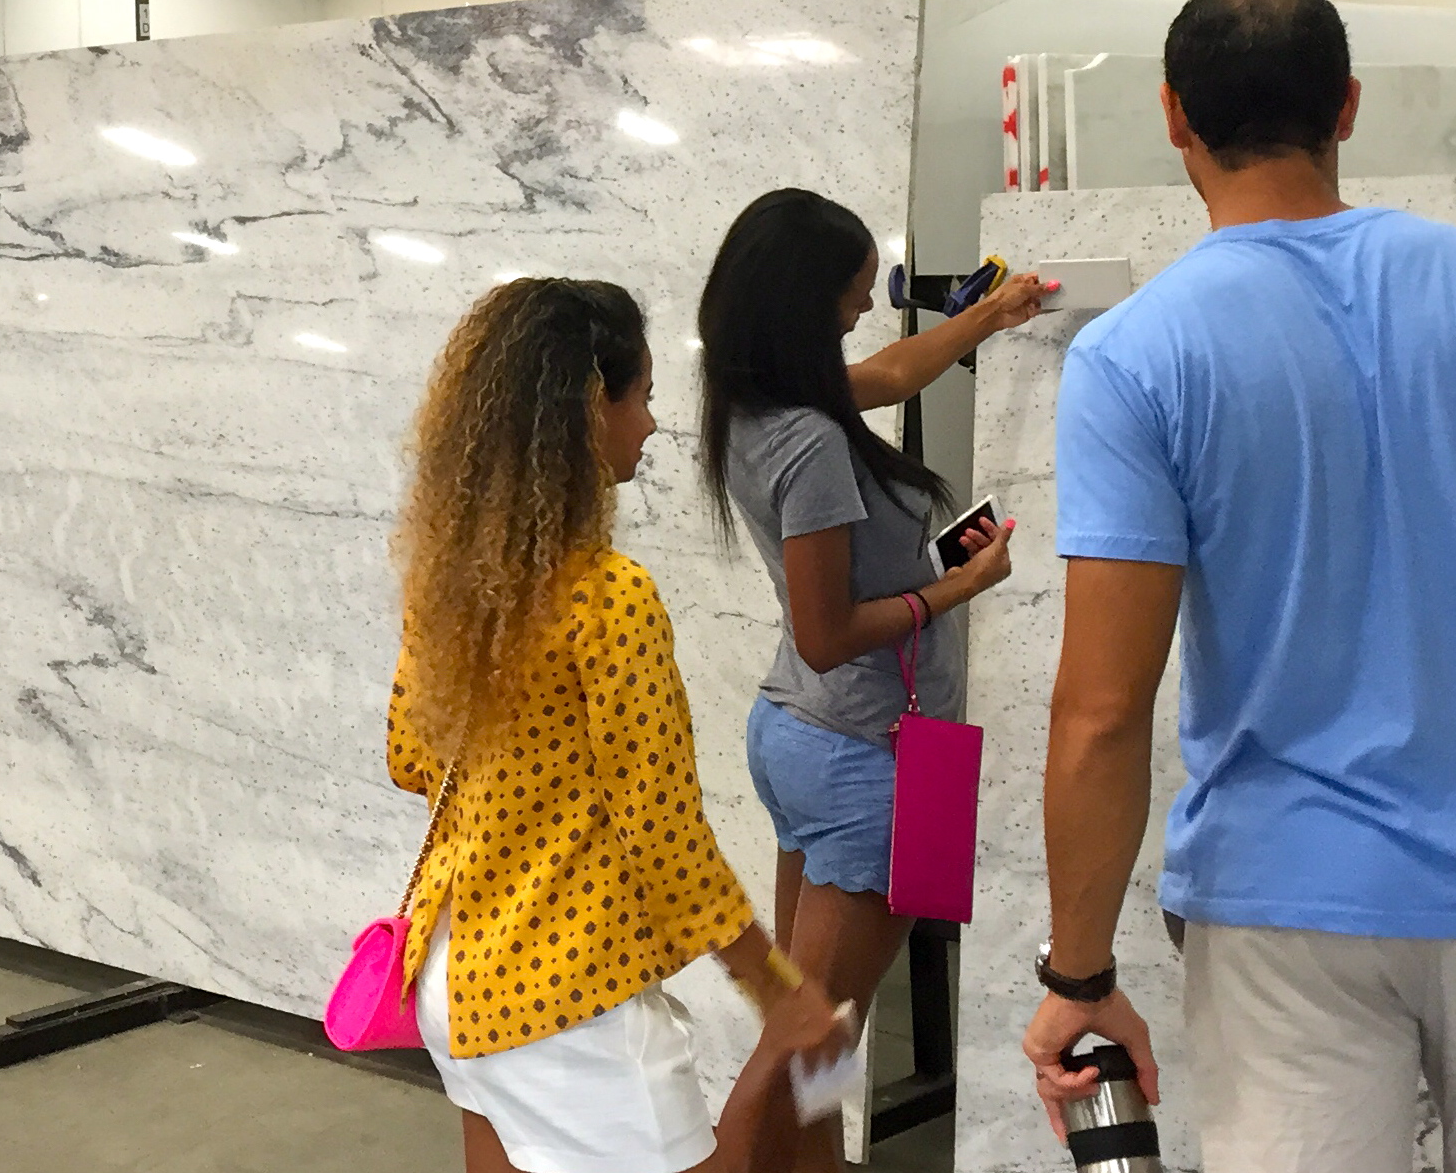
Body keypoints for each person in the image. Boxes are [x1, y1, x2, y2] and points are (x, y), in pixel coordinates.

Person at [1021, 0, 1456, 1173]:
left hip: (1279, 907)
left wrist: (1078, 976)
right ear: (1347, 106)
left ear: (1172, 116)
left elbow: (1103, 710)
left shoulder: (1134, 356)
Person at [388, 276, 844, 1173]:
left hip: (452, 972)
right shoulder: (607, 598)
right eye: (640, 397)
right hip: (565, 997)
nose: (650, 423)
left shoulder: (451, 587)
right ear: (587, 409)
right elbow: (663, 834)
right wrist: (776, 986)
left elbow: (410, 758)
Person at [697, 190, 1040, 1170]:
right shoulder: (810, 441)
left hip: (803, 739)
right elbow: (827, 634)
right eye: (851, 296)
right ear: (803, 303)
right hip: (860, 756)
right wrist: (958, 586)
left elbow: (890, 372)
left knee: (816, 1032)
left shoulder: (757, 402)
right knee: (807, 1035)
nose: (862, 310)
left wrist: (987, 317)